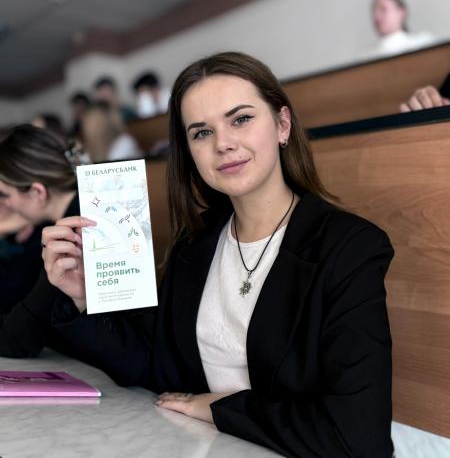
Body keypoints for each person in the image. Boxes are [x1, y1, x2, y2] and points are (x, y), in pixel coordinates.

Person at [43, 52, 394, 458]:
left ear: (282, 124)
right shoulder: (194, 244)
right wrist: (85, 297)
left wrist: (220, 409)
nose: (223, 144)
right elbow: (155, 367)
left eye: (240, 119)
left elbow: (357, 436)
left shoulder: (349, 248)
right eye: (201, 133)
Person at [0, 125, 91, 357]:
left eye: (5, 195)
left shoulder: (74, 234)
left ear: (38, 193)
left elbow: (15, 340)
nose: (6, 205)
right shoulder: (59, 221)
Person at [359, 0, 435, 60]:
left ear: (401, 12)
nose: (377, 16)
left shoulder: (423, 43)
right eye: (374, 11)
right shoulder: (366, 58)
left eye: (383, 9)